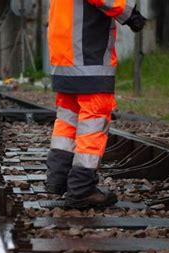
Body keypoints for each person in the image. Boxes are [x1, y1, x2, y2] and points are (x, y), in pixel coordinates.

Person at [46, 0, 146, 208]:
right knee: (93, 122)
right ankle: (81, 190)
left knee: (67, 122)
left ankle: (58, 178)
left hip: (64, 58)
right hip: (87, 57)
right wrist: (130, 14)